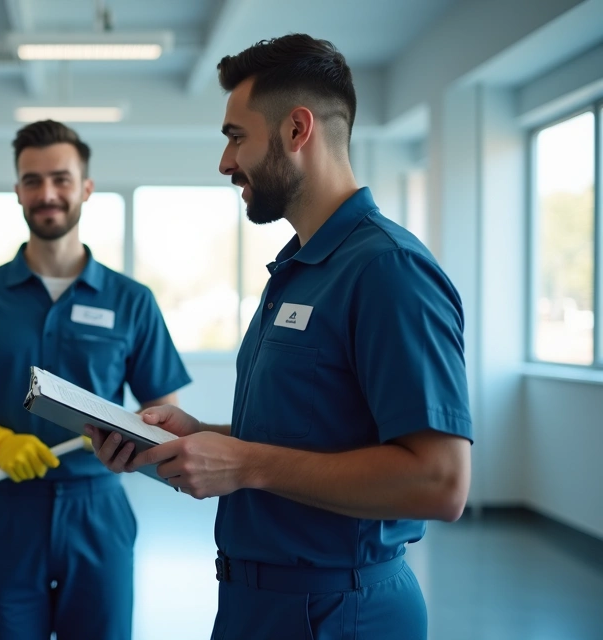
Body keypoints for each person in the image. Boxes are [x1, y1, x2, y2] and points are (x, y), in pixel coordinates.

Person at [88, 34, 472, 640]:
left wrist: (246, 464)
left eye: (236, 137)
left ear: (297, 130)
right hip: (256, 606)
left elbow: (441, 481)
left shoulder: (386, 270)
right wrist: (198, 437)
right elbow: (306, 434)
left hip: (339, 612)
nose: (225, 162)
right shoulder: (297, 270)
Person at [0, 120, 191, 640]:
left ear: (86, 188)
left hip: (99, 509)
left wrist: (128, 440)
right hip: (5, 509)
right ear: (18, 190)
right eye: (33, 180)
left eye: (62, 179)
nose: (48, 194)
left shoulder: (131, 301)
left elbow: (164, 411)